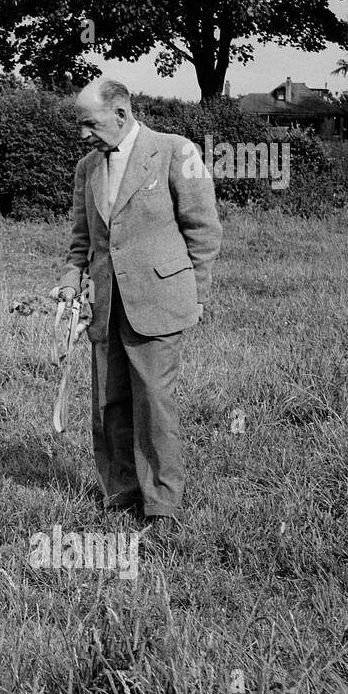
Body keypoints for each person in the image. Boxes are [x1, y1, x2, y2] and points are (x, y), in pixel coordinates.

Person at [52, 79, 221, 528]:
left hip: (160, 302)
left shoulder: (175, 151)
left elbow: (204, 230)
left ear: (121, 114)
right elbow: (81, 240)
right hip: (104, 305)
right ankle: (121, 492)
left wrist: (197, 293)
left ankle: (162, 504)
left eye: (90, 123)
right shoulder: (87, 168)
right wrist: (71, 281)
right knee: (109, 404)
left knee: (154, 403)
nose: (83, 133)